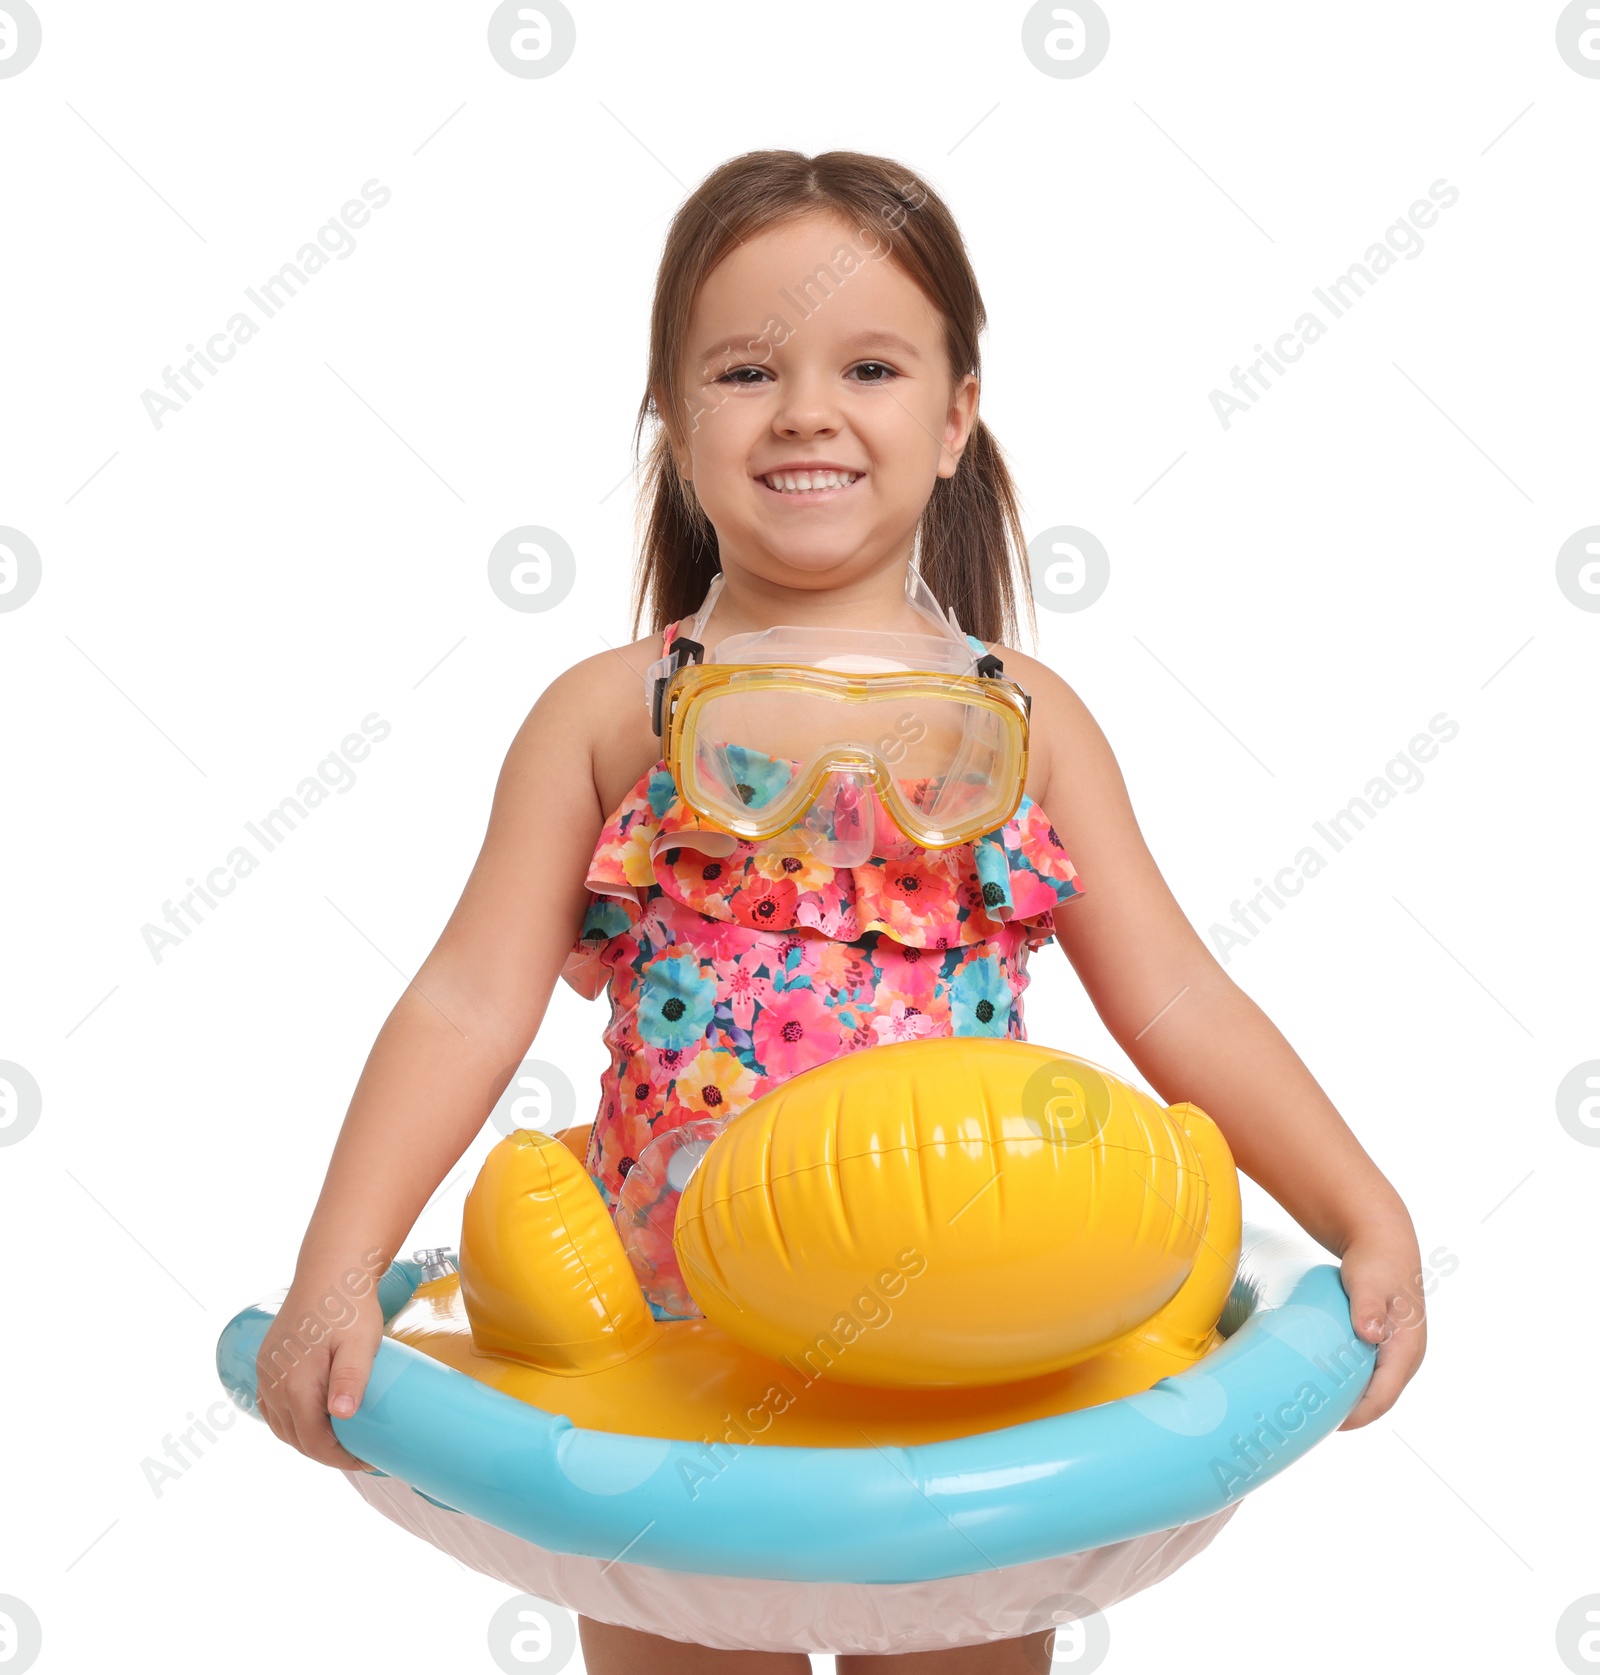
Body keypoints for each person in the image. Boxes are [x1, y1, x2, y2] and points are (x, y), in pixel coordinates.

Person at [255, 149, 1427, 1673]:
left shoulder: (1031, 721)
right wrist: (341, 1267)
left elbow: (1181, 1002)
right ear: (675, 429)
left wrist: (1361, 1208)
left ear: (954, 420)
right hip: (673, 1375)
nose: (808, 408)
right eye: (748, 369)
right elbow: (470, 1003)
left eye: (869, 365)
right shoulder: (607, 715)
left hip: (977, 1366)